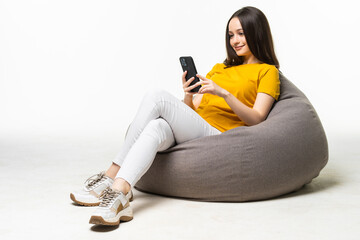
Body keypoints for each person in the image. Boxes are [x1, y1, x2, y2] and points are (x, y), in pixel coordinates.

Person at [70, 6, 280, 226]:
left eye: (241, 33)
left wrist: (224, 93)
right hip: (197, 127)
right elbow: (193, 110)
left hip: (219, 136)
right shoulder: (220, 68)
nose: (234, 40)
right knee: (156, 128)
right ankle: (120, 193)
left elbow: (257, 118)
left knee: (156, 97)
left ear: (256, 33)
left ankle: (111, 174)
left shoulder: (267, 71)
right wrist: (188, 95)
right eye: (230, 35)